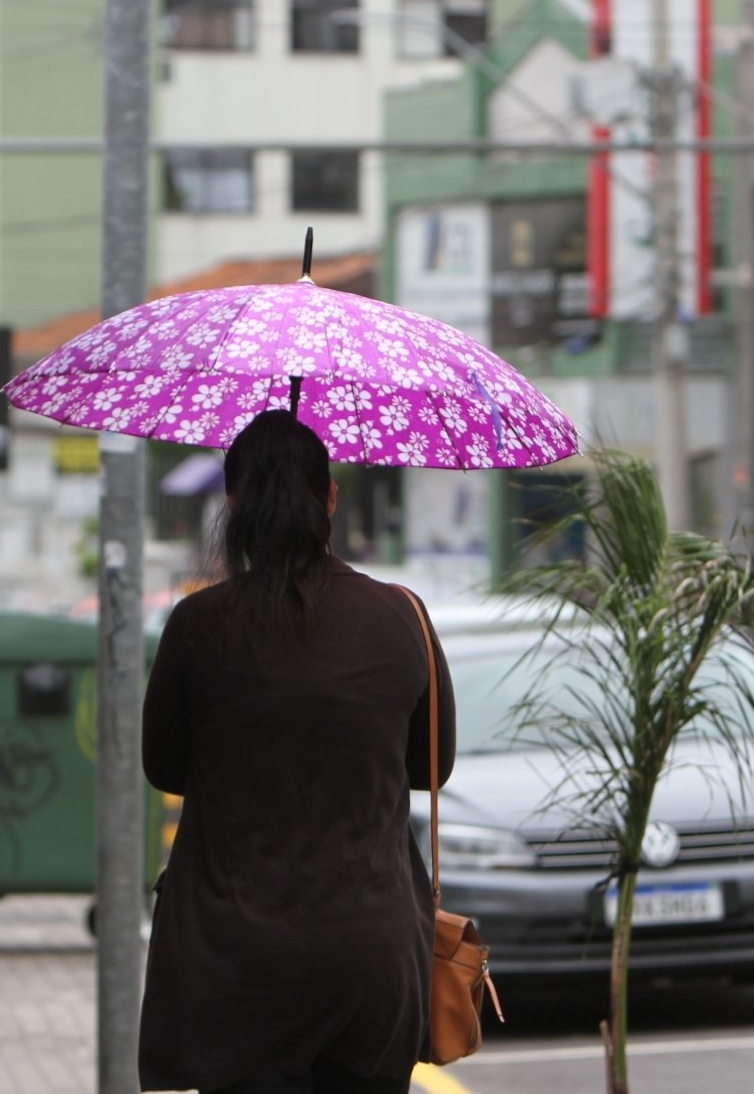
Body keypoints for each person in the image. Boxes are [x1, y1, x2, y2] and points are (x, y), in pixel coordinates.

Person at [140, 411, 455, 1094]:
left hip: (236, 963)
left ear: (232, 503)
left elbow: (164, 768)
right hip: (370, 955)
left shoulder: (198, 625)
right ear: (331, 498)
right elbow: (431, 765)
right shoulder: (402, 616)